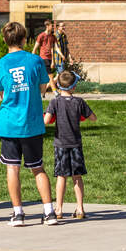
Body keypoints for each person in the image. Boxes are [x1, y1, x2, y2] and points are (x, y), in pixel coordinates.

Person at [0, 21, 60, 227]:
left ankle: (18, 214)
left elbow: (0, 93)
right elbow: (41, 88)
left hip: (10, 123)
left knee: (12, 168)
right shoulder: (36, 61)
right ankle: (49, 213)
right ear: (24, 39)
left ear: (4, 40)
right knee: (38, 168)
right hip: (32, 123)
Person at [43, 70, 96, 220]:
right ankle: (80, 208)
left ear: (58, 86)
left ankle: (58, 210)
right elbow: (93, 118)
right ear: (73, 87)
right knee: (77, 177)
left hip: (60, 144)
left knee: (61, 176)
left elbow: (46, 121)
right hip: (76, 144)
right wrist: (81, 115)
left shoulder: (54, 102)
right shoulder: (79, 102)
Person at [33, 20, 58, 94]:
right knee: (50, 75)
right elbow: (35, 48)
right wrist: (32, 60)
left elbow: (52, 48)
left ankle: (42, 92)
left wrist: (53, 61)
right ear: (47, 26)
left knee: (45, 77)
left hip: (50, 58)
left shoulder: (52, 37)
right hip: (43, 58)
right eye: (52, 26)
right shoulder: (41, 36)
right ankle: (55, 92)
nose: (53, 27)